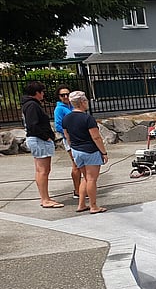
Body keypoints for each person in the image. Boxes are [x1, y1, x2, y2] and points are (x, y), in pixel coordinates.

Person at [62, 91, 109, 214]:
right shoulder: (88, 118)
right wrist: (103, 152)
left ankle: (81, 204)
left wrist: (73, 147)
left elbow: (67, 136)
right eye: (86, 100)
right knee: (92, 179)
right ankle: (93, 206)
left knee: (85, 178)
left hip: (76, 150)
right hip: (90, 150)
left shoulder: (66, 118)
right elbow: (96, 137)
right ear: (82, 102)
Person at [21, 80, 63, 208]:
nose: (43, 94)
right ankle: (45, 199)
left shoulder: (29, 104)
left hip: (37, 139)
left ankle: (45, 197)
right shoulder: (32, 105)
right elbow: (33, 125)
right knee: (43, 170)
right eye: (42, 92)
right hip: (39, 139)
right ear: (37, 92)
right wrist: (47, 137)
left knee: (41, 170)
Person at [53, 85, 81, 199]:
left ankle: (81, 188)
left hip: (79, 138)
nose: (65, 97)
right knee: (76, 164)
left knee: (81, 163)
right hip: (70, 139)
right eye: (62, 95)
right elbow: (58, 126)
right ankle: (77, 190)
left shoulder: (72, 106)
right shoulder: (59, 109)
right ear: (59, 97)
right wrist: (69, 134)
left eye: (67, 94)